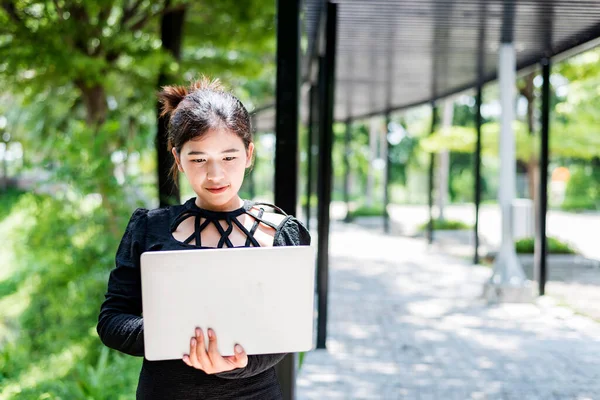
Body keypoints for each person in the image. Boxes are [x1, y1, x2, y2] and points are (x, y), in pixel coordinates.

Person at [96, 77, 311, 399]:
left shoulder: (282, 232)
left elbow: (287, 330)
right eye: (198, 159)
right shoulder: (148, 228)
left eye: (229, 157)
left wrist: (235, 363)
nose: (215, 174)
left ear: (249, 154)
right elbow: (112, 321)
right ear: (177, 158)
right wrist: (178, 337)